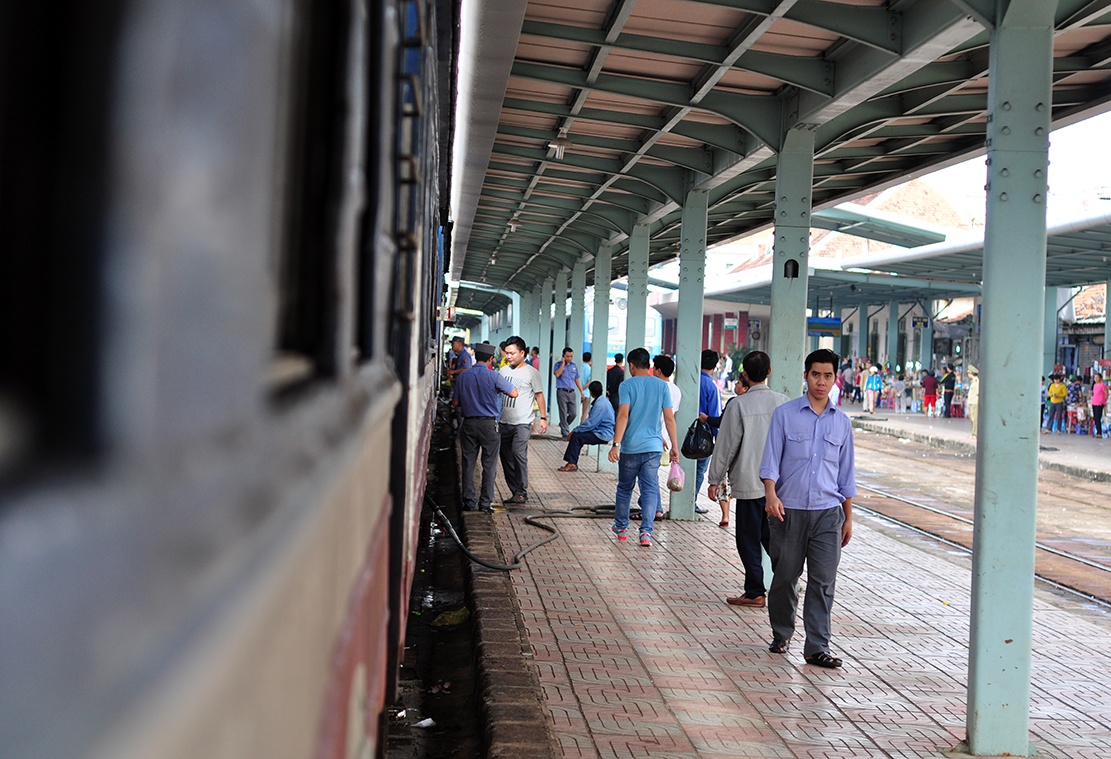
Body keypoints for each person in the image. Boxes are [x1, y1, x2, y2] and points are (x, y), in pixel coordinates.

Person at [761, 348, 856, 669]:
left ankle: (817, 646)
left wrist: (848, 518)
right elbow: (770, 461)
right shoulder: (785, 415)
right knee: (785, 577)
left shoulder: (842, 423)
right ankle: (781, 633)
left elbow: (846, 475)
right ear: (806, 376)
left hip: (829, 514)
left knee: (823, 582)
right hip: (788, 511)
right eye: (816, 374)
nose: (821, 381)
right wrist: (770, 495)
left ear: (835, 379)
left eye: (828, 375)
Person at [707, 352, 788, 607]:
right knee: (773, 539)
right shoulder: (783, 403)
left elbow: (726, 445)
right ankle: (787, 583)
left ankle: (755, 591)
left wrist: (714, 478)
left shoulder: (738, 405)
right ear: (769, 371)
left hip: (749, 483)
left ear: (744, 374)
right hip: (777, 488)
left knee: (748, 540)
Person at [607, 348, 679, 548]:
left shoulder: (627, 386)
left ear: (631, 366)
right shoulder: (662, 386)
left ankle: (622, 529)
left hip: (631, 448)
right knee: (649, 491)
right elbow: (669, 418)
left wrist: (616, 444)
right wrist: (674, 446)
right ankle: (646, 533)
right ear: (649, 365)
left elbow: (623, 416)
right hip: (653, 448)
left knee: (625, 489)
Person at [453, 343, 518, 512]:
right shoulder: (494, 376)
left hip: (468, 424)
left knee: (468, 463)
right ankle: (485, 503)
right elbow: (514, 393)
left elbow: (455, 403)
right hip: (489, 425)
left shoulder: (463, 376)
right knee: (489, 465)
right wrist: (495, 391)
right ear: (491, 359)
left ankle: (469, 502)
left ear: (475, 357)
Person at [499, 336, 548, 504]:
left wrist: (543, 418)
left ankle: (521, 491)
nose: (509, 356)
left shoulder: (532, 373)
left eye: (512, 353)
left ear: (522, 353)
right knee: (505, 456)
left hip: (523, 422)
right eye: (507, 353)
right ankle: (515, 491)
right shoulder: (503, 371)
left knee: (518, 453)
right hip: (504, 421)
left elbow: (539, 395)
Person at [558, 381, 615, 471]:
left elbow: (590, 424)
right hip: (602, 431)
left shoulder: (600, 405)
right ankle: (572, 461)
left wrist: (574, 430)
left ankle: (572, 463)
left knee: (576, 437)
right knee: (579, 436)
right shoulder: (604, 401)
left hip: (602, 434)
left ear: (591, 392)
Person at [693, 349, 723, 514]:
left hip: (687, 432)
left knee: (686, 468)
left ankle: (681, 500)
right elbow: (714, 415)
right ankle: (691, 502)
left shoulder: (690, 381)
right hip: (703, 436)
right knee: (699, 470)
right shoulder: (711, 387)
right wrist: (718, 439)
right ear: (715, 366)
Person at [652, 354, 682, 520]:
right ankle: (653, 506)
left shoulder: (656, 387)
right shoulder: (676, 391)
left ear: (658, 370)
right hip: (666, 436)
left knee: (649, 475)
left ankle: (655, 508)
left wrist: (657, 433)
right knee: (651, 474)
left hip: (654, 435)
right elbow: (671, 417)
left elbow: (655, 415)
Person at [553, 347, 585, 436]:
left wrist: (581, 391)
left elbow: (577, 379)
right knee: (563, 412)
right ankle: (565, 433)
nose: (569, 358)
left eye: (571, 356)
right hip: (562, 391)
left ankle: (563, 424)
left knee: (573, 413)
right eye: (567, 356)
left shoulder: (574, 366)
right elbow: (557, 374)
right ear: (563, 356)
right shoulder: (558, 365)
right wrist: (563, 364)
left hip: (572, 392)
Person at [966, 365, 980, 438]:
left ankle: (975, 434)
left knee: (974, 419)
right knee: (972, 418)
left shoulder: (977, 381)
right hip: (972, 402)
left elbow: (978, 392)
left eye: (968, 373)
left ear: (971, 373)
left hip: (975, 402)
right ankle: (973, 433)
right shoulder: (973, 382)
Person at [1093, 373, 1107, 438]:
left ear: (1100, 378)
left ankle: (1099, 433)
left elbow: (1106, 393)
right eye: (1095, 377)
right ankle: (1097, 432)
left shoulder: (1102, 385)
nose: (1096, 379)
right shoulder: (1094, 385)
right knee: (1095, 418)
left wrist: (1104, 401)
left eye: (1097, 377)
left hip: (1100, 403)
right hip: (1094, 403)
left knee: (1098, 418)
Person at [580, 352, 593, 420]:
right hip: (586, 393)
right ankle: (582, 425)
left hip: (577, 393)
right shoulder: (590, 369)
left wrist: (579, 390)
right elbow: (589, 383)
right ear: (590, 359)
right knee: (584, 413)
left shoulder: (579, 367)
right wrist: (582, 389)